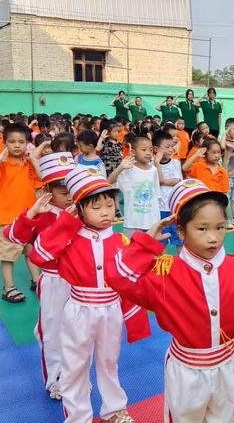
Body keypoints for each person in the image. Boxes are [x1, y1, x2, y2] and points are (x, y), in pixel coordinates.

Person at [105, 179, 234, 422]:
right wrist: (147, 243)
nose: (213, 237)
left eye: (220, 227)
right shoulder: (164, 274)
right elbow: (117, 276)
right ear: (181, 231)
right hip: (186, 372)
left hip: (226, 366)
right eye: (202, 229)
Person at [28, 166, 151, 423]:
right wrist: (65, 225)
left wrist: (134, 318)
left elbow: (129, 282)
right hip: (78, 310)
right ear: (79, 208)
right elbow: (39, 255)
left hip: (110, 310)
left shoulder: (120, 241)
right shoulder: (68, 239)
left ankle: (114, 410)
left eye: (110, 204)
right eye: (96, 207)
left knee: (109, 362)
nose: (106, 212)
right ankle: (78, 417)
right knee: (75, 367)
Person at [3, 152, 75, 399]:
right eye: (63, 191)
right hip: (54, 280)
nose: (69, 197)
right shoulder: (42, 212)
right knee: (53, 331)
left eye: (72, 189)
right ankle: (55, 379)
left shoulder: (82, 210)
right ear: (48, 190)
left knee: (78, 332)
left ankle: (73, 375)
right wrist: (31, 213)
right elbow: (13, 237)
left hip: (80, 283)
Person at [0, 123, 42, 303]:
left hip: (29, 217)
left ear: (27, 144)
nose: (17, 145)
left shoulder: (28, 165)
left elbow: (42, 179)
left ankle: (36, 280)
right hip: (8, 218)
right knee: (8, 255)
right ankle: (8, 287)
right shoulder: (3, 165)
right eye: (12, 142)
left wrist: (33, 160)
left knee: (30, 252)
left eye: (21, 142)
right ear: (5, 143)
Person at [108, 136, 161, 238]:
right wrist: (121, 168)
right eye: (143, 150)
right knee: (132, 251)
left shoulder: (153, 170)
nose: (148, 153)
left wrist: (157, 221)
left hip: (152, 222)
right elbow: (110, 181)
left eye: (150, 150)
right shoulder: (127, 169)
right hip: (133, 223)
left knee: (151, 252)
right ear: (133, 152)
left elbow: (156, 195)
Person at [152, 130, 183, 253]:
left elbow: (177, 181)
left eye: (172, 146)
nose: (171, 149)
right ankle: (160, 267)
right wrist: (157, 163)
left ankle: (183, 265)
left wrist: (163, 181)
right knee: (160, 241)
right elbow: (160, 180)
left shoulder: (175, 163)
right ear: (156, 149)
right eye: (167, 147)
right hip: (159, 209)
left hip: (174, 208)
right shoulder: (151, 164)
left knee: (179, 239)